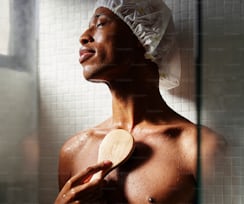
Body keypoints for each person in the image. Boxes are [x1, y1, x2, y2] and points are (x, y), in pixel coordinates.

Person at [55, 0, 227, 203]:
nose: (83, 37)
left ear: (141, 37)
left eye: (100, 24)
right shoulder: (74, 150)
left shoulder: (198, 147)